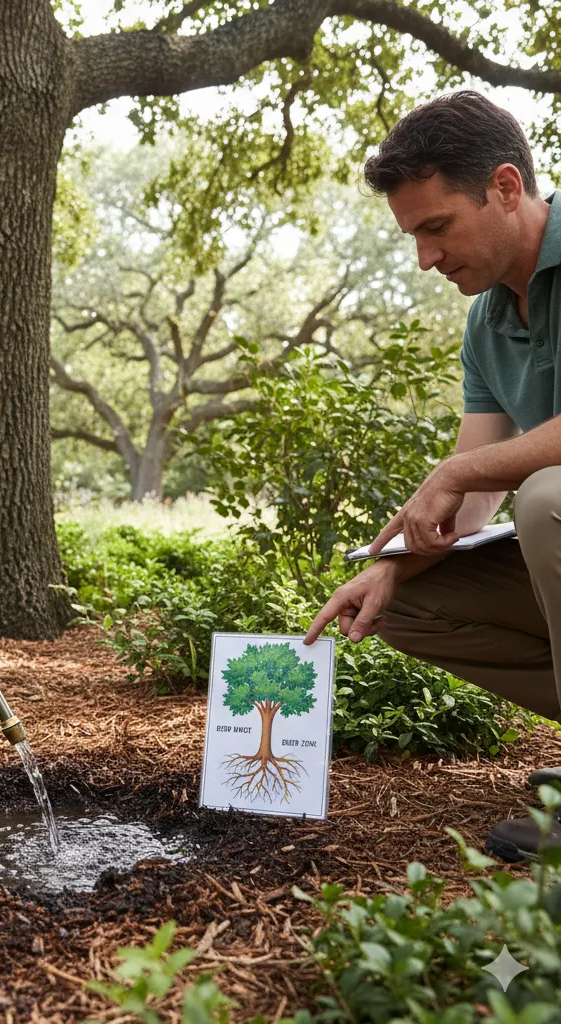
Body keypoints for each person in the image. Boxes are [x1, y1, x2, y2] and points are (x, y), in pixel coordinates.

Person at [304, 91, 561, 862]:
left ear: (506, 188)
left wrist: (464, 468)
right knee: (405, 600)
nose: (425, 258)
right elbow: (476, 492)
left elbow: (478, 470)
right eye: (414, 236)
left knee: (549, 498)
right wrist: (392, 564)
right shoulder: (488, 322)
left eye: (436, 228)